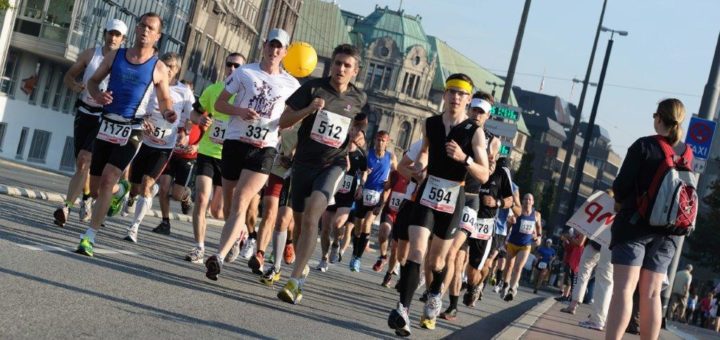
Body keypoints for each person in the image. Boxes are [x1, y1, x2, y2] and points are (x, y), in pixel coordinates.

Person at [388, 73, 491, 335]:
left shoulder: (475, 133)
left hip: (454, 195)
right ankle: (403, 310)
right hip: (427, 192)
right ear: (444, 95)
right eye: (451, 92)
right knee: (416, 252)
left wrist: (463, 159)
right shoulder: (431, 123)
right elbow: (424, 153)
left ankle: (435, 293)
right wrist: (418, 168)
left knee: (437, 262)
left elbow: (484, 174)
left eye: (461, 94)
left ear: (468, 99)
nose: (455, 98)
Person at [75, 13, 177, 256]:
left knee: (109, 176)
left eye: (150, 28)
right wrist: (98, 95)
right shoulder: (116, 55)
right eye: (141, 25)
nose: (144, 30)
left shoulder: (158, 67)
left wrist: (168, 112)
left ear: (157, 36)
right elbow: (92, 81)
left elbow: (164, 98)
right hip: (107, 122)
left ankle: (90, 236)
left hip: (133, 128)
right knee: (98, 187)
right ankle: (120, 192)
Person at [275, 43, 370, 304]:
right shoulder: (312, 88)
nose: (340, 68)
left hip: (334, 164)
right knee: (299, 221)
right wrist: (308, 110)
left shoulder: (358, 99)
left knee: (313, 215)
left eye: (346, 65)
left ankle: (294, 282)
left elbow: (361, 122)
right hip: (304, 163)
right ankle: (301, 265)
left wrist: (358, 137)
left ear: (355, 71)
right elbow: (283, 122)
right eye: (337, 63)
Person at [204, 28, 300, 281]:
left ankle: (218, 257)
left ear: (286, 52)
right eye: (271, 45)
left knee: (241, 199)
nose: (274, 50)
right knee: (227, 206)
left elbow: (290, 119)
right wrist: (239, 111)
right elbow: (219, 104)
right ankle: (239, 236)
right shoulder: (245, 72)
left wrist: (286, 123)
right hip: (235, 142)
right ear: (264, 45)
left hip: (264, 148)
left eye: (280, 47)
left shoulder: (292, 84)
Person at [605, 98, 691, 340]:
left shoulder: (644, 146)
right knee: (652, 294)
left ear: (659, 119)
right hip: (669, 233)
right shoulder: (687, 153)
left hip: (635, 226)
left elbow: (621, 186)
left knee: (624, 289)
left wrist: (620, 201)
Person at [53, 19, 127, 227]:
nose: (113, 38)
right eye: (110, 33)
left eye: (117, 35)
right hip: (84, 112)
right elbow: (69, 76)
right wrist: (74, 85)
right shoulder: (90, 54)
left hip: (106, 118)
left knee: (85, 160)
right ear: (104, 34)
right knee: (81, 164)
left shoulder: (124, 62)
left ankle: (66, 207)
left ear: (123, 39)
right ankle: (90, 198)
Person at [123, 52, 193, 242]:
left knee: (147, 184)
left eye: (171, 67)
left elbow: (191, 117)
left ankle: (134, 227)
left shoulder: (184, 92)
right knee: (135, 186)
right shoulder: (150, 86)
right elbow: (138, 107)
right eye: (164, 65)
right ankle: (130, 198)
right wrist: (143, 119)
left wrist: (186, 133)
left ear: (177, 70)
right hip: (143, 141)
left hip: (164, 147)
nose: (167, 70)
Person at [183, 52, 245, 263]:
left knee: (221, 209)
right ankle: (199, 247)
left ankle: (237, 234)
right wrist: (199, 119)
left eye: (238, 66)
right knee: (201, 198)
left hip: (233, 156)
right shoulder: (213, 90)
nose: (233, 69)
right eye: (230, 65)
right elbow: (194, 114)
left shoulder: (247, 94)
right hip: (208, 152)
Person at [249, 125, 299, 275]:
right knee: (269, 212)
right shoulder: (285, 112)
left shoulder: (313, 115)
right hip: (276, 168)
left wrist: (293, 156)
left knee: (287, 221)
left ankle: (289, 242)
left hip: (295, 172)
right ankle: (260, 255)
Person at [317, 130, 367, 272]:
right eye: (353, 134)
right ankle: (323, 259)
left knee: (338, 224)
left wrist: (361, 186)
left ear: (362, 140)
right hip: (332, 192)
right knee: (325, 228)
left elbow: (364, 171)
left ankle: (337, 243)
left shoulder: (361, 155)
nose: (355, 137)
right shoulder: (338, 149)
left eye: (359, 137)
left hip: (347, 196)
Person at [350, 131, 396, 272]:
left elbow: (395, 176)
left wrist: (385, 194)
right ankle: (354, 254)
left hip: (377, 196)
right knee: (358, 228)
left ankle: (358, 258)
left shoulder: (391, 157)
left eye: (383, 140)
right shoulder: (367, 154)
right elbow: (360, 172)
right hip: (363, 194)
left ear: (387, 142)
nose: (380, 143)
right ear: (374, 140)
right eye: (378, 140)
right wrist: (362, 181)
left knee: (367, 223)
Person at [500, 193, 541, 302]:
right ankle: (505, 284)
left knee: (518, 267)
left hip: (525, 245)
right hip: (512, 243)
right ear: (522, 201)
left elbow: (538, 227)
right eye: (526, 199)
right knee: (508, 266)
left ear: (533, 202)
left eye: (530, 199)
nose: (527, 201)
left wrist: (539, 237)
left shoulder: (536, 215)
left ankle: (512, 290)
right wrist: (505, 239)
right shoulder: (517, 211)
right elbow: (509, 225)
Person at [555, 228, 584, 302]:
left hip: (576, 261)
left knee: (572, 280)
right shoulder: (576, 237)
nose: (575, 231)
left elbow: (578, 244)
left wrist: (569, 238)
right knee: (568, 280)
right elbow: (569, 248)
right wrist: (565, 241)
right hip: (571, 260)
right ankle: (566, 295)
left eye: (576, 230)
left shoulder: (582, 236)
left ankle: (570, 296)